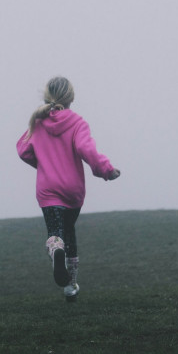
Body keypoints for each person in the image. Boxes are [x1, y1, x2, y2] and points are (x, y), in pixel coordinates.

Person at [16, 76, 120, 302]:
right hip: (73, 191)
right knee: (70, 232)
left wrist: (43, 164)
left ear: (46, 97)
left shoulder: (37, 123)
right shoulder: (78, 123)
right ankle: (70, 286)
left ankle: (56, 252)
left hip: (48, 190)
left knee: (56, 233)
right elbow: (87, 150)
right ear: (71, 98)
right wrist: (107, 170)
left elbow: (23, 150)